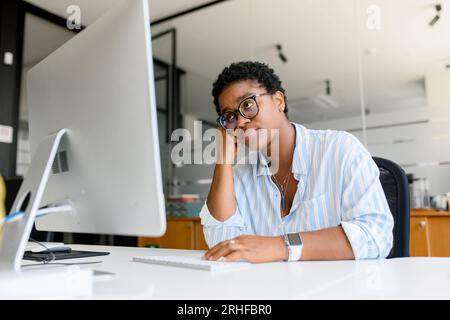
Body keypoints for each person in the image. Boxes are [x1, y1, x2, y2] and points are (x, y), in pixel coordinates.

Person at [200, 61, 393, 263]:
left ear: (278, 101)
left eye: (247, 104)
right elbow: (222, 244)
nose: (239, 122)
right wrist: (223, 161)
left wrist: (281, 246)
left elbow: (376, 235)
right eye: (229, 117)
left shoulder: (339, 149)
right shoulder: (239, 176)